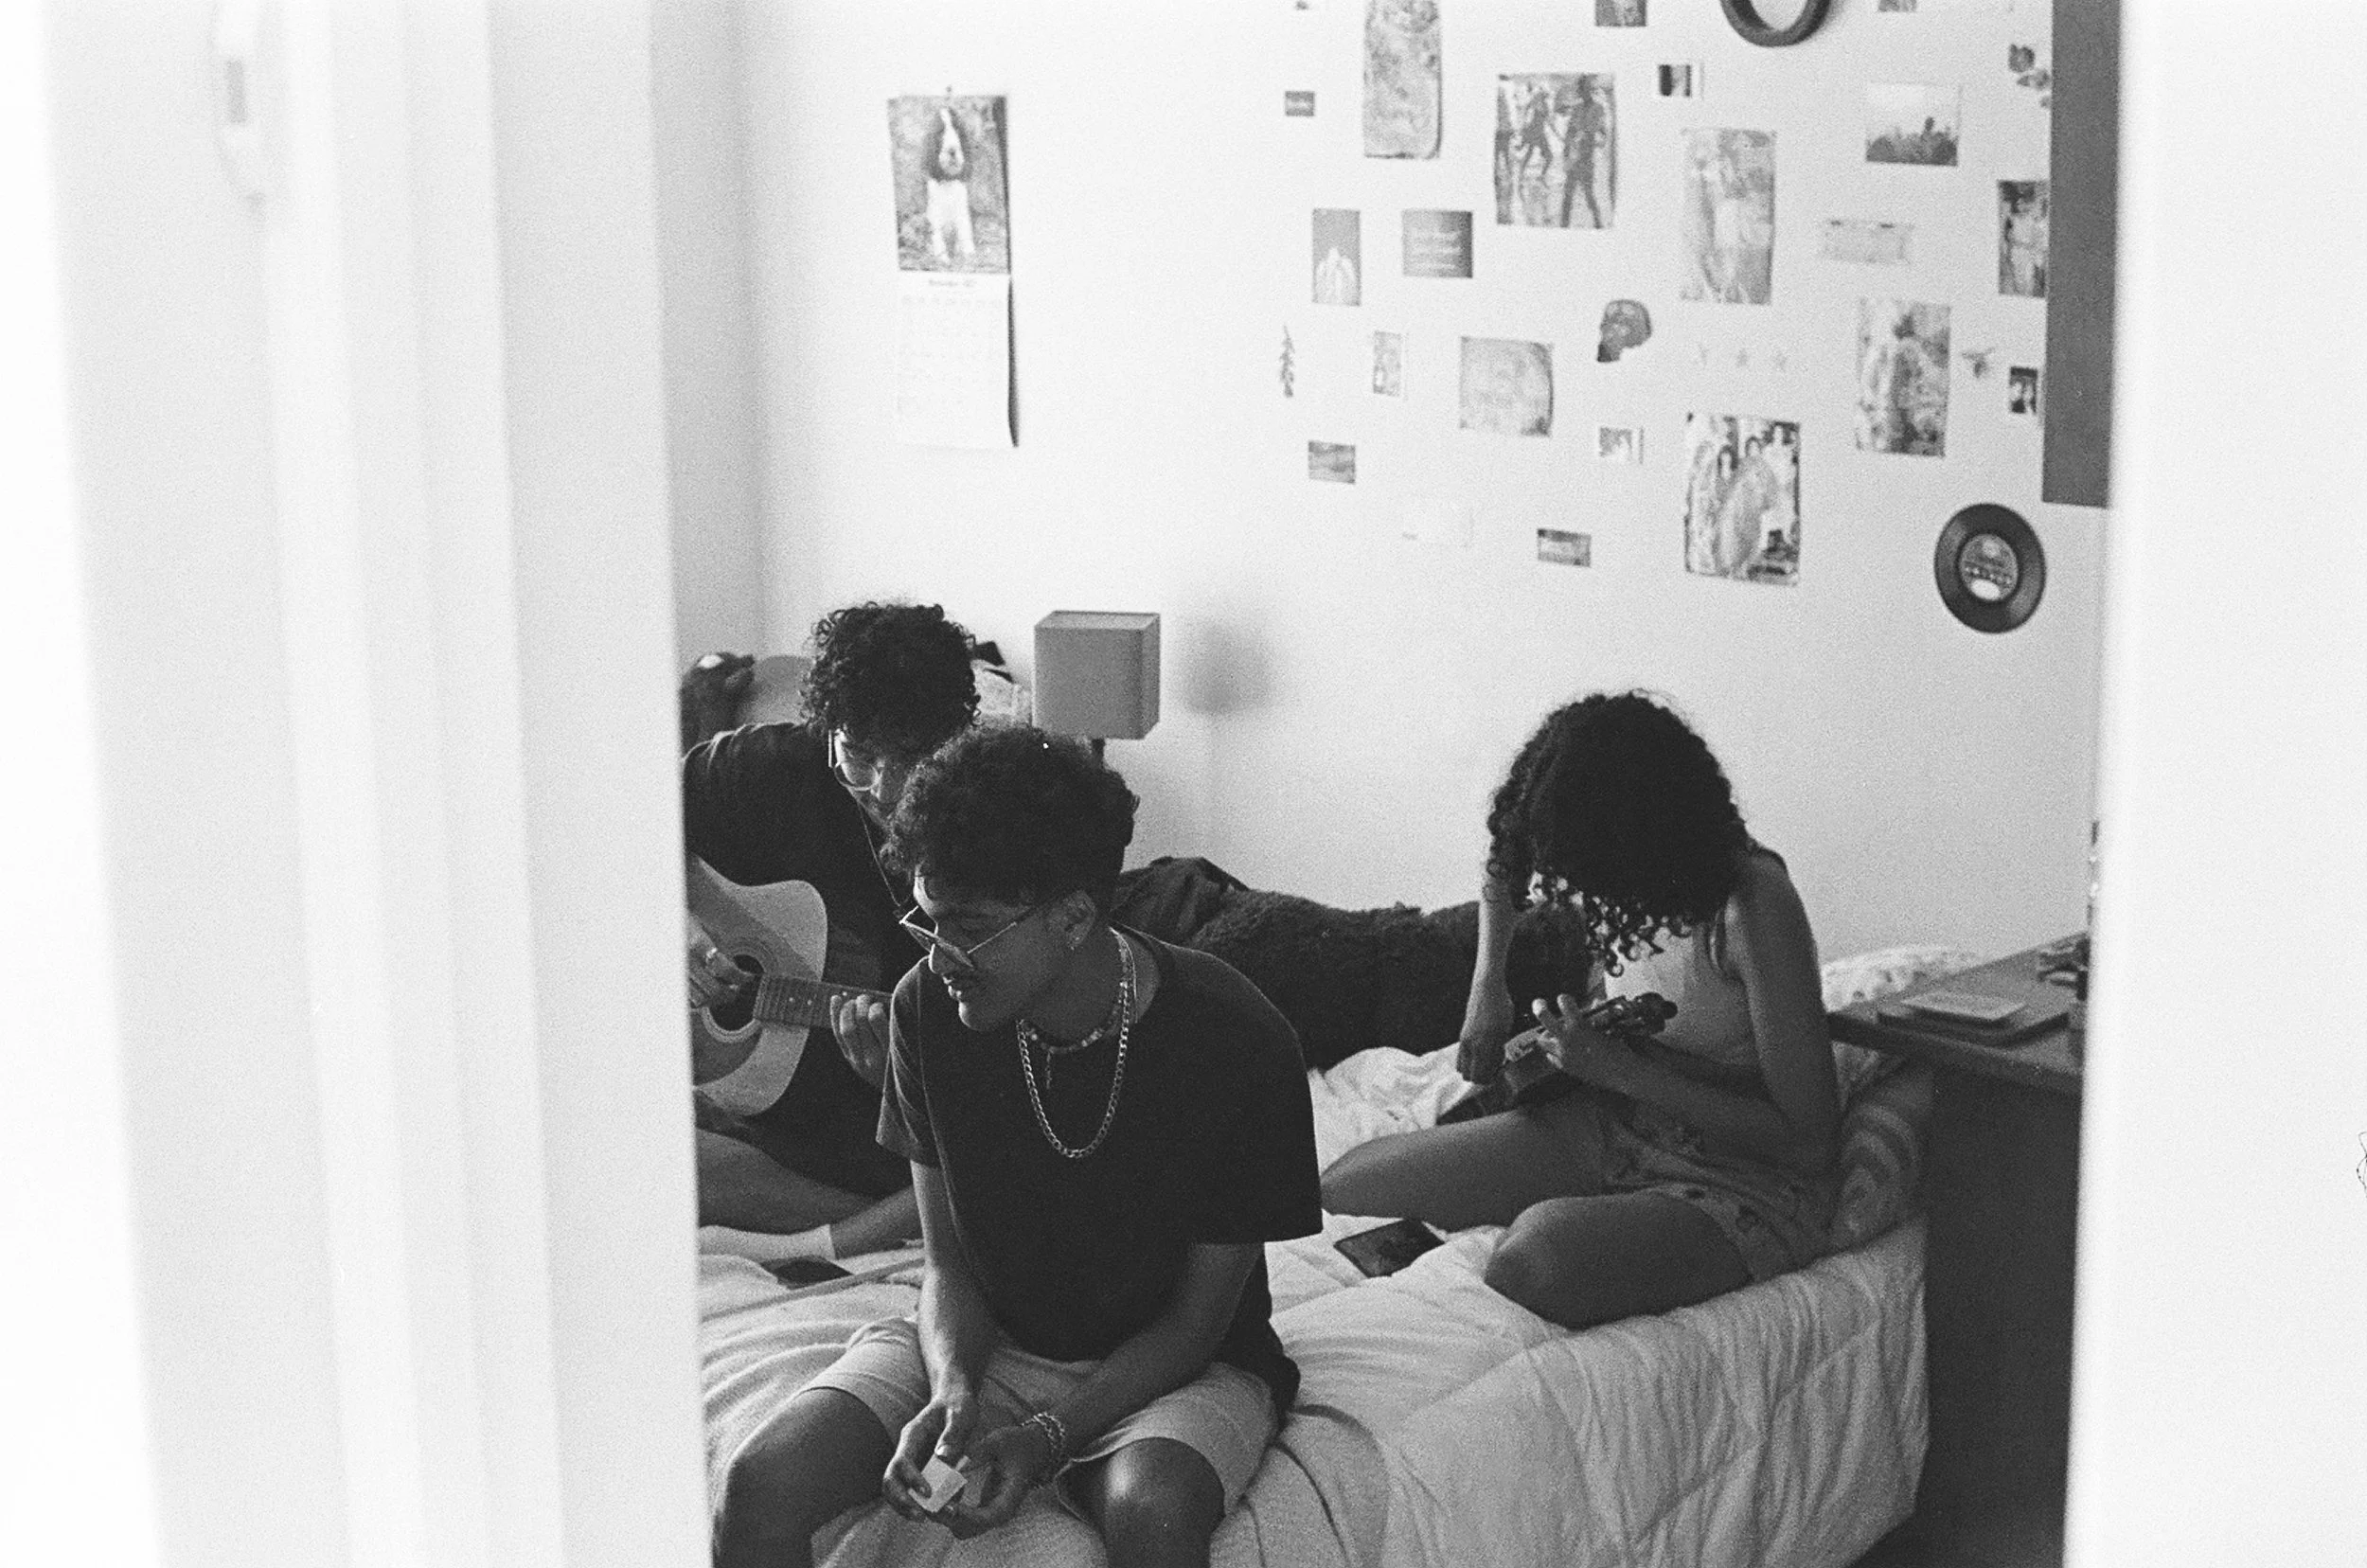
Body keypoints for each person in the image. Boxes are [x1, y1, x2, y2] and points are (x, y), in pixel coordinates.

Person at [713, 728, 1321, 1568]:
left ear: (1074, 916)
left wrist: (1045, 1435)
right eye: (926, 921)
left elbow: (1194, 1323)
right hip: (990, 1341)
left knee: (1153, 1514)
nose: (938, 955)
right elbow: (947, 1267)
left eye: (967, 928)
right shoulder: (923, 1009)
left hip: (1180, 1366)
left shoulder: (1237, 1040)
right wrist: (957, 1390)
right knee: (759, 1486)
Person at [1320, 693, 1840, 1332]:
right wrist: (1489, 989)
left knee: (1532, 1263)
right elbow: (1504, 865)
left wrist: (1623, 1071)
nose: (1579, 891)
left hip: (1741, 1175)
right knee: (1345, 1188)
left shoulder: (1754, 905)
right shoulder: (1613, 864)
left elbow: (1809, 1142)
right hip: (1617, 1120)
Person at [682, 600, 984, 1258]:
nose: (883, 784)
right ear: (826, 727)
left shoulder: (984, 823)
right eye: (858, 752)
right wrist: (678, 927)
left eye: (910, 756)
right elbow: (620, 831)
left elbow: (985, 1072)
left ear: (953, 738)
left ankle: (815, 1244)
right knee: (636, 1149)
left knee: (986, 1165)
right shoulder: (760, 770)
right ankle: (875, 1231)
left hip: (867, 1125)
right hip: (746, 1096)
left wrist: (897, 1084)